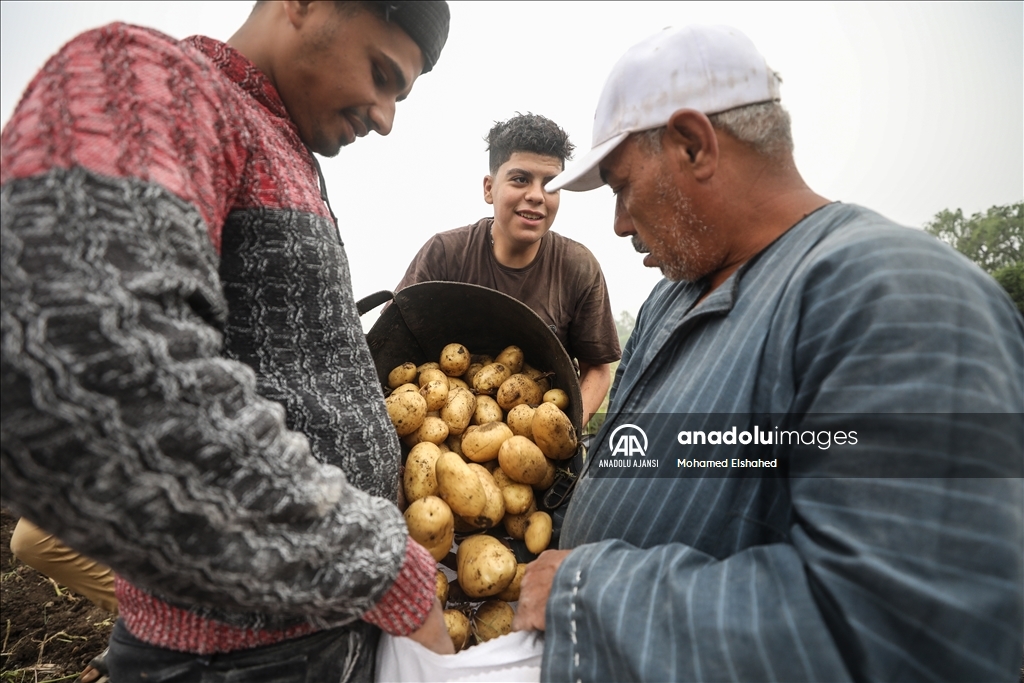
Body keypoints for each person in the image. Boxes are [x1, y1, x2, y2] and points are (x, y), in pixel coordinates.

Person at [511, 24, 1024, 682]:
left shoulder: (897, 295)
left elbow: (907, 634)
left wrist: (586, 593)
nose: (618, 223)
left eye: (620, 186)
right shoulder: (675, 297)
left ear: (693, 145)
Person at [0, 1, 456, 680]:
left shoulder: (284, 147)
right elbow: (74, 370)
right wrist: (380, 564)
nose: (387, 118)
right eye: (382, 74)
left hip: (323, 638)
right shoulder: (148, 80)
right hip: (232, 659)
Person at [395, 113, 621, 426]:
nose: (537, 195)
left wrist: (560, 432)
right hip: (437, 419)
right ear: (489, 188)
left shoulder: (578, 267)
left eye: (552, 184)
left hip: (532, 427)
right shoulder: (445, 254)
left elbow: (597, 370)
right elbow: (394, 336)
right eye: (520, 179)